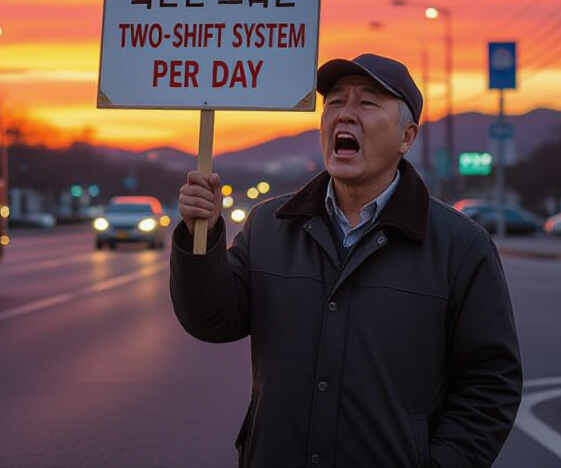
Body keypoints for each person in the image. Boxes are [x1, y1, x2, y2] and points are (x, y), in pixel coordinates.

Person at [171, 53, 522, 468]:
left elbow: (491, 383)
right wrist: (202, 234)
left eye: (367, 103)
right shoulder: (270, 224)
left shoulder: (460, 245)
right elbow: (212, 320)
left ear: (406, 137)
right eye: (335, 102)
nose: (345, 114)